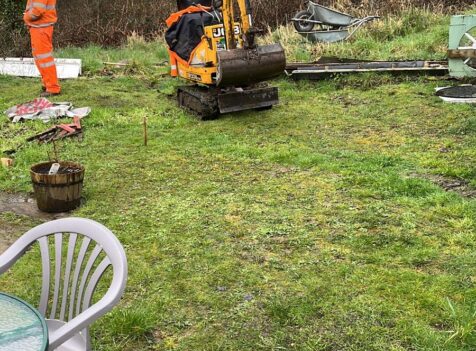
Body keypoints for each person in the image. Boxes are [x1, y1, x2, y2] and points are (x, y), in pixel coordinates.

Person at [23, 0, 61, 97]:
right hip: (39, 26)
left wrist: (26, 17)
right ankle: (48, 84)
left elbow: (37, 11)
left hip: (41, 27)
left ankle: (52, 88)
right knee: (41, 58)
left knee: (44, 59)